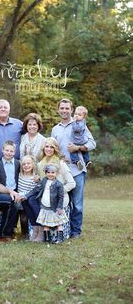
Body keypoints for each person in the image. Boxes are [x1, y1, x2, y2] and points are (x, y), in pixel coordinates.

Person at [51, 98, 96, 238]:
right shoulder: (55, 129)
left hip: (77, 170)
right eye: (62, 108)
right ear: (58, 110)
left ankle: (76, 232)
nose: (64, 110)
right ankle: (63, 230)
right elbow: (52, 148)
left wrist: (78, 148)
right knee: (63, 202)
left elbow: (92, 143)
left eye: (67, 108)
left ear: (71, 110)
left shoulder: (79, 125)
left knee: (76, 204)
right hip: (61, 171)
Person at [24, 137, 75, 242]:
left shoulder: (61, 164)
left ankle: (43, 231)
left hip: (58, 197)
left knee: (33, 200)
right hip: (45, 196)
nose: (48, 149)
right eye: (46, 146)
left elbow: (72, 183)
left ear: (55, 149)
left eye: (52, 147)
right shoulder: (40, 164)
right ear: (43, 148)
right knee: (28, 199)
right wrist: (37, 179)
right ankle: (36, 228)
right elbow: (43, 184)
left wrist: (58, 192)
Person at [0, 141, 22, 237]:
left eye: (11, 151)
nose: (9, 153)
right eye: (7, 150)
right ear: (2, 150)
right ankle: (6, 233)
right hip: (3, 192)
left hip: (16, 190)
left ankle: (11, 229)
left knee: (17, 203)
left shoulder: (18, 164)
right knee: (13, 203)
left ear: (14, 152)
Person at [36, 163, 68, 244]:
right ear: (46, 173)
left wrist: (60, 207)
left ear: (56, 173)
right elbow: (40, 189)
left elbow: (61, 197)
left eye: (53, 172)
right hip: (45, 205)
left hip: (54, 207)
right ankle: (47, 238)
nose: (50, 174)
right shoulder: (44, 180)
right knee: (45, 223)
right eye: (48, 172)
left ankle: (60, 238)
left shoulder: (59, 184)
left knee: (58, 223)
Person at [17, 155, 40, 241]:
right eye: (24, 164)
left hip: (29, 201)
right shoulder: (19, 175)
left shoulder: (35, 178)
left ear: (33, 165)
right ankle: (24, 234)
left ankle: (38, 232)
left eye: (28, 163)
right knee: (23, 219)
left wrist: (26, 196)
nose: (26, 165)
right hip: (20, 201)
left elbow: (35, 191)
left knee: (27, 215)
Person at [70, 105, 91, 169]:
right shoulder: (82, 122)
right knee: (85, 152)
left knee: (72, 151)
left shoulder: (80, 123)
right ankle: (87, 161)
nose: (76, 116)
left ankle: (76, 161)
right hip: (83, 141)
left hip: (77, 141)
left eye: (79, 115)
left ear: (83, 117)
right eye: (75, 114)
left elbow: (76, 129)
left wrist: (73, 121)